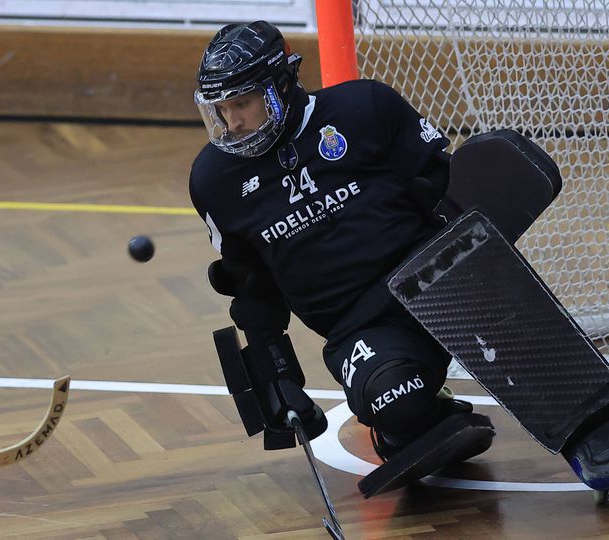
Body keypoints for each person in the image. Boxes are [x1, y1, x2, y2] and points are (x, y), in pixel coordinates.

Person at [188, 20, 493, 483]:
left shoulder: (364, 108)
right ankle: (408, 420)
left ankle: (594, 422)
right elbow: (253, 286)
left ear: (282, 85)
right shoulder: (214, 182)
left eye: (243, 104)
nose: (233, 124)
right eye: (222, 110)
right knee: (395, 401)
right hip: (360, 325)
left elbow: (444, 187)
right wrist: (277, 376)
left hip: (439, 276)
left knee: (534, 348)